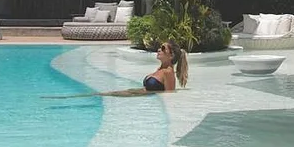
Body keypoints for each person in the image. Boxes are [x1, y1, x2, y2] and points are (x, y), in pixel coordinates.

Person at [42, 40, 188, 98]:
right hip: (137, 94)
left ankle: (66, 98)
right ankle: (66, 97)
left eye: (162, 48)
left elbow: (169, 95)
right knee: (101, 94)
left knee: (101, 95)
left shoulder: (168, 72)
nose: (158, 50)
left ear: (171, 55)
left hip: (139, 96)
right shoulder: (160, 69)